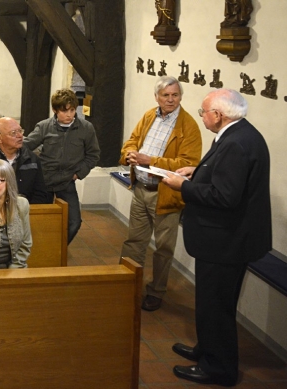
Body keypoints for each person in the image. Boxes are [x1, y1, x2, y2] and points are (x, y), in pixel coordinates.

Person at [163, 89, 271, 386]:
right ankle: (207, 350)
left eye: (203, 112)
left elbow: (225, 196)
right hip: (227, 239)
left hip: (226, 241)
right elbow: (229, 176)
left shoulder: (236, 143)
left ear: (219, 115)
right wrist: (199, 170)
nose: (202, 116)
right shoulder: (242, 134)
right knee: (212, 301)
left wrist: (181, 185)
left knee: (216, 305)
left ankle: (219, 367)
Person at [119, 76, 202, 312]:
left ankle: (156, 292)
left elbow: (188, 163)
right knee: (134, 241)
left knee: (163, 248)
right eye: (166, 95)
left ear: (180, 96)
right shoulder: (149, 116)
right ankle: (126, 283)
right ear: (157, 97)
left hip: (166, 195)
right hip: (141, 189)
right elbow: (132, 141)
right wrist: (130, 154)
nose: (171, 100)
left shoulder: (189, 126)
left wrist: (150, 160)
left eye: (175, 95)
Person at [24, 89, 100, 244]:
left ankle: (58, 249)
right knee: (37, 220)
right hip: (43, 181)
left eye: (72, 110)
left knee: (74, 222)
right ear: (55, 110)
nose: (69, 115)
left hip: (66, 181)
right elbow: (26, 146)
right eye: (64, 111)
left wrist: (78, 174)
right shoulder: (44, 126)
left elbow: (93, 155)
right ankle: (39, 250)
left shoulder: (86, 128)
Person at [0, 117, 50, 205]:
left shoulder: (32, 159)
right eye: (13, 133)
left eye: (20, 131)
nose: (20, 136)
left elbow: (40, 193)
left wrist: (26, 211)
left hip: (27, 212)